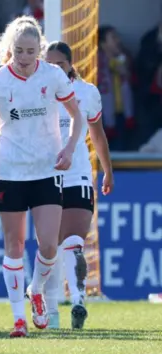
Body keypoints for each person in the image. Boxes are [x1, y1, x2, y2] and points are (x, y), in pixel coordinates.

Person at [0, 16, 84, 337]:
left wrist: (68, 148)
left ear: (40, 49)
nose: (24, 58)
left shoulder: (52, 76)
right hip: (9, 171)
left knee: (49, 245)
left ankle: (35, 289)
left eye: (30, 51)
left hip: (46, 169)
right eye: (19, 51)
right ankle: (18, 319)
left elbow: (76, 117)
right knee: (14, 244)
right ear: (9, 49)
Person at [44, 41, 113, 330]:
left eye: (59, 64)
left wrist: (107, 171)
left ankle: (78, 301)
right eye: (49, 64)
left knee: (73, 242)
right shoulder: (37, 91)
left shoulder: (87, 93)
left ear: (70, 64)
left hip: (78, 174)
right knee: (48, 247)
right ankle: (50, 313)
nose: (53, 69)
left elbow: (97, 135)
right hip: (43, 175)